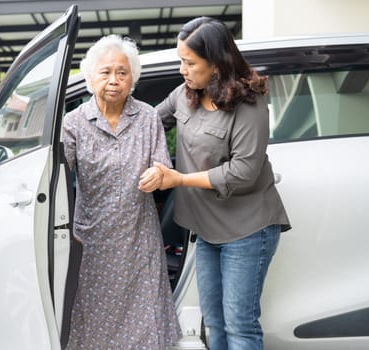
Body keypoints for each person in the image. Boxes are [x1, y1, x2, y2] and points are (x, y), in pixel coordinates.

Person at [139, 17, 291, 350]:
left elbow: (243, 171)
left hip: (247, 230)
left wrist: (177, 178)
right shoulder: (184, 94)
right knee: (214, 325)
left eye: (189, 62)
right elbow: (148, 123)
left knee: (240, 326)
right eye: (181, 60)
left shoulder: (249, 105)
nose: (182, 69)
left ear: (217, 63)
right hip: (207, 232)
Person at [62, 34, 182, 349]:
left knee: (145, 321)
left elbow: (163, 168)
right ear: (90, 77)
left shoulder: (148, 117)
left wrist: (158, 174)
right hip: (92, 239)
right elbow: (55, 176)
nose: (114, 80)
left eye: (122, 72)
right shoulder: (73, 124)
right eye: (105, 72)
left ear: (132, 79)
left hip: (139, 237)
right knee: (94, 321)